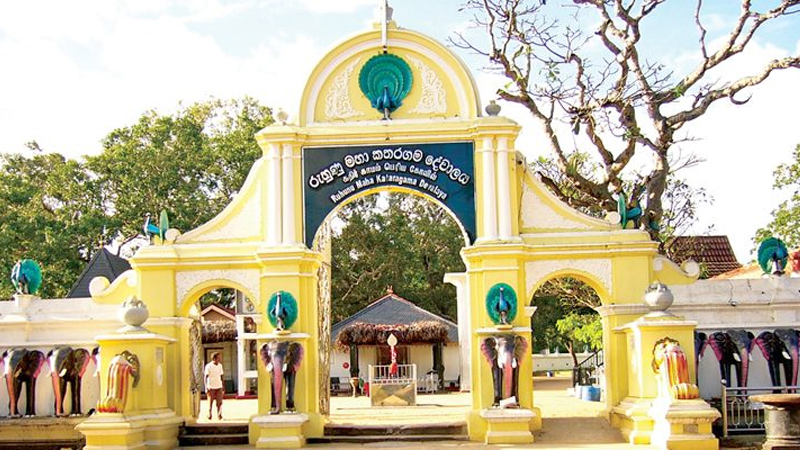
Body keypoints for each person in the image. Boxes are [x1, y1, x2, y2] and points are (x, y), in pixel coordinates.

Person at [204, 352, 224, 420]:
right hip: (211, 386)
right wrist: (206, 387)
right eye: (218, 358)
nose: (220, 359)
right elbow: (206, 377)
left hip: (219, 386)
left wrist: (223, 386)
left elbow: (221, 375)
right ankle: (209, 414)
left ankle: (219, 414)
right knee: (210, 401)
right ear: (214, 358)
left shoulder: (220, 366)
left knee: (219, 402)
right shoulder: (208, 366)